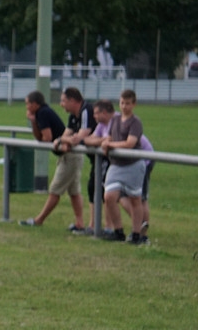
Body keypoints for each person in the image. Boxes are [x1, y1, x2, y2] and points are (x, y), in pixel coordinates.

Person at [19, 88, 92, 230]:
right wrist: (34, 122)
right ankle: (80, 223)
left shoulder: (43, 113)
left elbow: (45, 138)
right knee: (74, 192)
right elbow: (44, 137)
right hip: (69, 154)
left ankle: (39, 220)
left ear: (35, 104)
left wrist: (59, 140)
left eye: (28, 104)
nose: (26, 107)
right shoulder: (42, 114)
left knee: (55, 190)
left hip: (70, 156)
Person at [100, 89, 147, 244]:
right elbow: (109, 135)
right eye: (122, 103)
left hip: (133, 164)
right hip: (116, 164)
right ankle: (118, 231)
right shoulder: (114, 120)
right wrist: (106, 141)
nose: (124, 106)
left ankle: (136, 234)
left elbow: (130, 143)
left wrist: (110, 145)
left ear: (134, 104)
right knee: (109, 196)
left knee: (135, 199)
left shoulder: (136, 122)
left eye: (128, 103)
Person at [81, 99, 114, 235]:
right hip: (102, 159)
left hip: (120, 162)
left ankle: (109, 227)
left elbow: (113, 139)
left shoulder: (116, 122)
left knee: (108, 191)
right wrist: (102, 140)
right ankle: (93, 225)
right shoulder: (101, 125)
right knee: (93, 187)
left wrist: (100, 141)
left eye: (96, 113)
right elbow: (87, 140)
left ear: (104, 112)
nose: (94, 117)